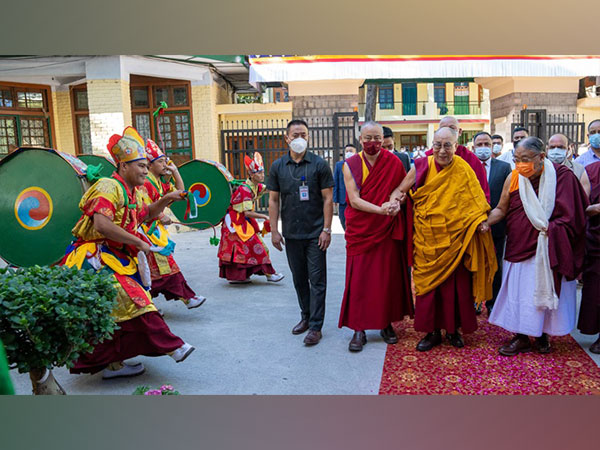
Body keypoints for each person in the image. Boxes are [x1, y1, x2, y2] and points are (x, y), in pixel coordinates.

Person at [62, 127, 195, 379]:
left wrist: (167, 198)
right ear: (123, 166)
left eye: (147, 166)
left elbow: (145, 215)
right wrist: (139, 242)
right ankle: (173, 347)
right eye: (141, 166)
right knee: (137, 302)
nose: (146, 171)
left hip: (118, 257)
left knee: (117, 313)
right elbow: (102, 225)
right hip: (95, 258)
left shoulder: (133, 191)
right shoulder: (108, 186)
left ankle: (114, 364)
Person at [390, 127, 497, 351]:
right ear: (432, 145)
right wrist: (394, 201)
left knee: (456, 289)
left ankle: (452, 330)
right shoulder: (420, 166)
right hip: (427, 238)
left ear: (456, 146)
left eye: (447, 145)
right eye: (437, 145)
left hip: (455, 240)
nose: (442, 150)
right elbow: (401, 190)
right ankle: (431, 332)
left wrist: (480, 222)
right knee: (429, 290)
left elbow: (476, 201)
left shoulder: (464, 169)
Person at [484, 137, 588, 356]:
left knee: (544, 291)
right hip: (520, 245)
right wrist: (483, 223)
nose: (520, 165)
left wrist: (552, 229)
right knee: (520, 293)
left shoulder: (563, 177)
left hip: (549, 248)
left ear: (541, 157)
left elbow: (575, 216)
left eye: (525, 160)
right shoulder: (514, 177)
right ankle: (520, 337)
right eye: (516, 160)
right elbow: (501, 209)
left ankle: (543, 335)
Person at [338, 122, 413, 352]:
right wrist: (381, 210)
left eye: (377, 138)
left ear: (384, 139)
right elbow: (354, 199)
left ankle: (386, 324)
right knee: (359, 280)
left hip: (387, 229)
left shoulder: (393, 162)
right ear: (360, 139)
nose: (374, 143)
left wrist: (395, 203)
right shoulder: (349, 165)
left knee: (387, 279)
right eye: (368, 138)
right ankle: (358, 329)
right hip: (363, 229)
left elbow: (401, 191)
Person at [268, 119, 334, 346]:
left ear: (308, 137)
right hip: (291, 234)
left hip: (316, 233)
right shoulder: (278, 166)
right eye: (295, 135)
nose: (299, 139)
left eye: (303, 135)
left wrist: (327, 229)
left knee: (317, 280)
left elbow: (328, 199)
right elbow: (273, 200)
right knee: (299, 279)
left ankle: (316, 326)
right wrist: (274, 230)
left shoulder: (319, 165)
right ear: (286, 138)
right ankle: (305, 317)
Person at [140, 139, 206, 308]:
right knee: (162, 269)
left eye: (165, 161)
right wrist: (161, 215)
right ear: (149, 164)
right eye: (160, 161)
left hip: (156, 232)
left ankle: (151, 306)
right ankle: (187, 299)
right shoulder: (146, 183)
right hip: (147, 232)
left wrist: (175, 172)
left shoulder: (160, 183)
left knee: (156, 272)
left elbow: (181, 192)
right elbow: (145, 208)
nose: (164, 164)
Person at [218, 152, 284, 283]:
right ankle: (270, 274)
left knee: (249, 249)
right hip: (235, 223)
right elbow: (247, 213)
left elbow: (270, 189)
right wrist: (264, 216)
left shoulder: (256, 186)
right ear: (252, 175)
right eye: (259, 173)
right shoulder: (245, 190)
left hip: (242, 221)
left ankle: (244, 275)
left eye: (263, 172)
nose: (262, 175)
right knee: (256, 246)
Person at [472, 132, 512, 315]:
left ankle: (492, 302)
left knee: (495, 265)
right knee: (472, 264)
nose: (483, 147)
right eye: (479, 144)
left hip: (496, 225)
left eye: (486, 143)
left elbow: (508, 197)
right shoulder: (467, 167)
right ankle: (473, 301)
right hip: (471, 226)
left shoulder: (504, 168)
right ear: (473, 147)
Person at [425, 117, 490, 202]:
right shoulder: (427, 158)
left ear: (459, 132)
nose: (448, 132)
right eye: (444, 128)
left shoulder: (470, 158)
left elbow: (482, 191)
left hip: (464, 210)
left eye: (452, 128)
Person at [577, 161, 600, 353]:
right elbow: (581, 207)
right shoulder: (591, 171)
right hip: (597, 240)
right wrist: (596, 208)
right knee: (596, 291)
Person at [333, 144, 357, 230]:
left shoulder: (359, 164)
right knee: (343, 220)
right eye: (347, 151)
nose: (348, 153)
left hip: (356, 199)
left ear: (355, 152)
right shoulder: (339, 165)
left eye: (351, 151)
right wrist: (335, 199)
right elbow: (335, 182)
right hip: (343, 199)